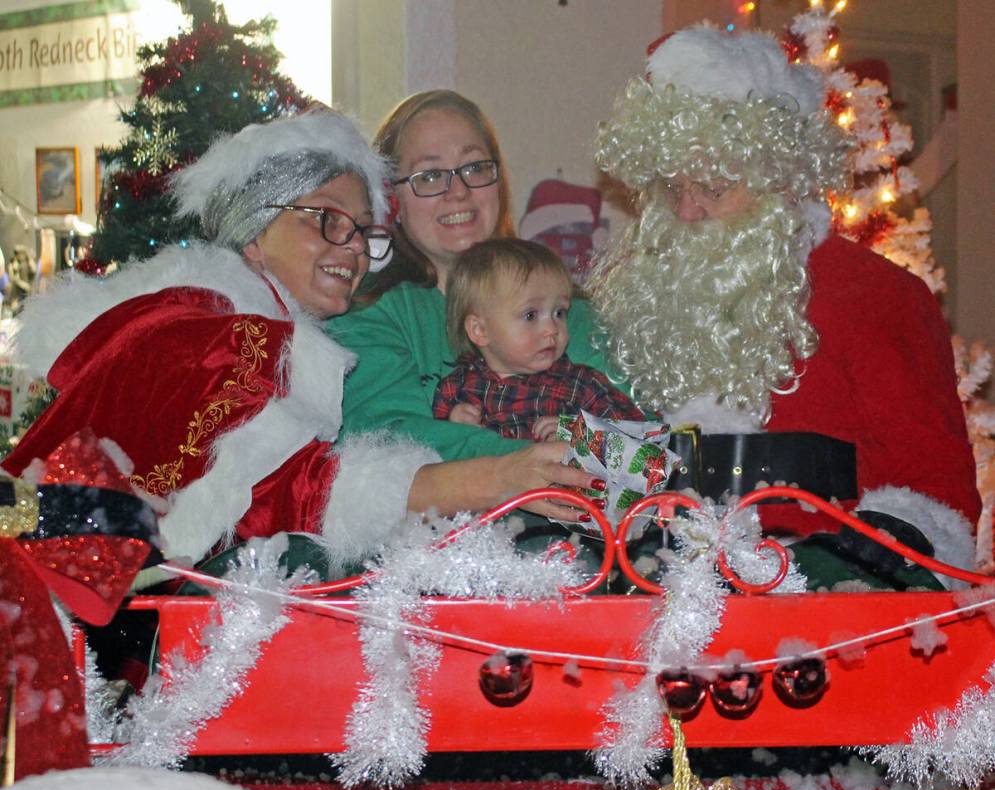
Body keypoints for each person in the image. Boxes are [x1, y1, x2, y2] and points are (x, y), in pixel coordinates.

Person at [0, 109, 589, 572]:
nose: (353, 248)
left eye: (363, 231)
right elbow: (290, 495)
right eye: (328, 219)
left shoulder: (248, 326)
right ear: (255, 233)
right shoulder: (218, 336)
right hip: (75, 635)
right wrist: (500, 477)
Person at [588, 25, 981, 588]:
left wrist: (851, 575)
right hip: (650, 600)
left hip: (820, 616)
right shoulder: (638, 294)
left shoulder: (879, 297)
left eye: (714, 188)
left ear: (781, 177)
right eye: (673, 190)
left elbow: (935, 494)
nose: (690, 211)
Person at [326, 90, 620, 521]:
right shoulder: (369, 316)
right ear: (393, 202)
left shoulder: (569, 311)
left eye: (475, 167)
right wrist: (530, 462)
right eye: (429, 176)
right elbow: (389, 444)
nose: (458, 192)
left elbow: (641, 441)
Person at [433, 237, 643, 441]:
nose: (552, 329)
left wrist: (578, 432)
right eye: (530, 315)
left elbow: (637, 437)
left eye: (559, 313)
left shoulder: (581, 384)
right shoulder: (457, 388)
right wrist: (454, 427)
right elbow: (428, 448)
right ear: (480, 330)